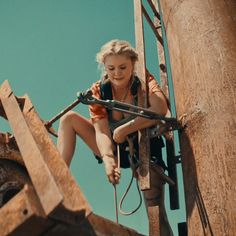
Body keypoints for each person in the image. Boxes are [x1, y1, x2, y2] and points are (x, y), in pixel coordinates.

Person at [57, 39, 173, 235]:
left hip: (146, 144)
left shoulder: (143, 80)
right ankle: (56, 182)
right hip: (114, 149)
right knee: (69, 119)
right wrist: (109, 160)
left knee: (154, 202)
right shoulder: (98, 91)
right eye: (111, 68)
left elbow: (160, 108)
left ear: (133, 64)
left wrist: (126, 129)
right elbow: (101, 131)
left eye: (123, 67)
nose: (117, 73)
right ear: (104, 67)